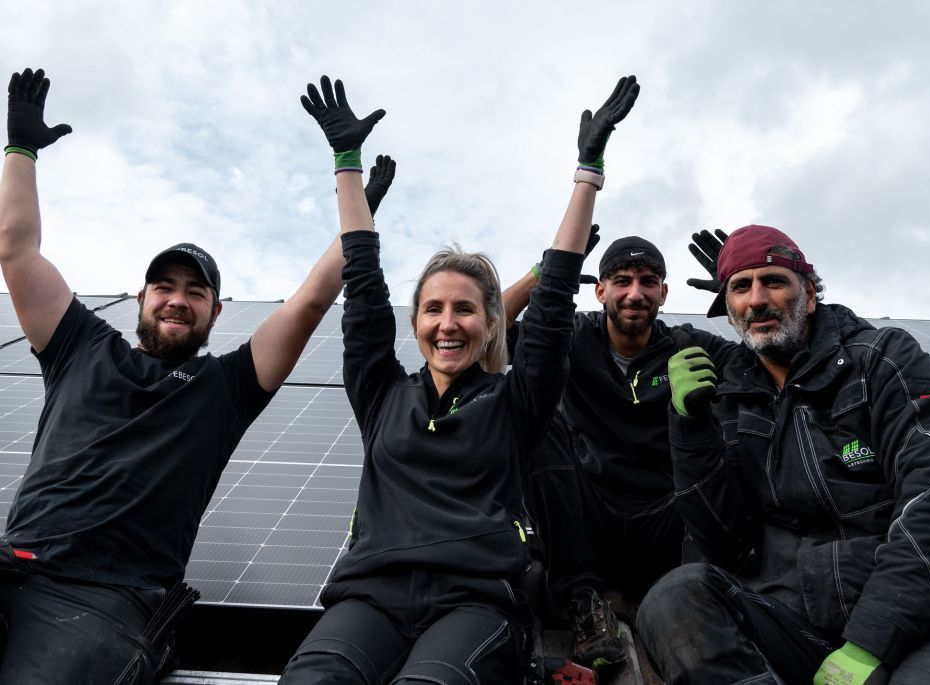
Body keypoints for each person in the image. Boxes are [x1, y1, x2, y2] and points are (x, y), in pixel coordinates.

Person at [0, 67, 395, 683]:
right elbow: (18, 251)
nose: (178, 299)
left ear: (217, 309)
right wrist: (20, 150)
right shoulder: (77, 343)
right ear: (140, 298)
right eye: (165, 286)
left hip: (107, 600)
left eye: (196, 291)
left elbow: (311, 301)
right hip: (15, 559)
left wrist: (352, 183)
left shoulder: (227, 388)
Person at [278, 73, 639, 685]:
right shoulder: (383, 394)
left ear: (492, 322)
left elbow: (551, 307)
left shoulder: (513, 403)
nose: (448, 324)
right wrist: (346, 164)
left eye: (466, 309)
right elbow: (363, 284)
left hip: (475, 603)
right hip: (371, 600)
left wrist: (588, 171)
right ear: (416, 321)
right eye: (434, 309)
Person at [636, 224, 930, 684]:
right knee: (674, 599)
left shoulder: (881, 361)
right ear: (728, 311)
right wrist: (689, 431)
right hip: (799, 621)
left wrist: (871, 642)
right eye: (741, 287)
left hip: (918, 621)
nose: (757, 300)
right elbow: (727, 546)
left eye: (774, 281)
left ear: (809, 295)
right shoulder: (731, 399)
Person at [501, 233, 735, 669]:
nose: (635, 293)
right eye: (622, 280)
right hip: (588, 519)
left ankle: (698, 596)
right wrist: (546, 272)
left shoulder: (687, 344)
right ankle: (584, 603)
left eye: (648, 281)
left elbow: (771, 367)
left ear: (663, 293)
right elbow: (489, 327)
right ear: (600, 290)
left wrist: (738, 287)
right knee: (533, 411)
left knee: (731, 417)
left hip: (668, 520)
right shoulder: (570, 336)